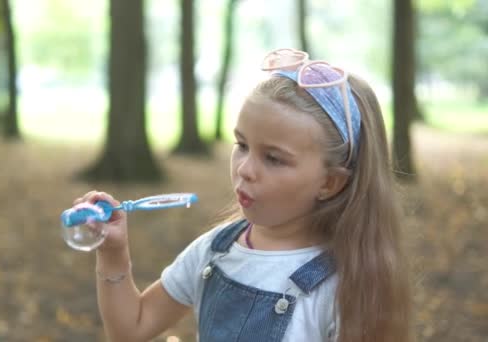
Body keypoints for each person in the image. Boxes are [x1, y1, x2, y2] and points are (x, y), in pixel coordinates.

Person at [73, 48, 412, 342]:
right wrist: (113, 253)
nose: (245, 168)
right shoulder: (215, 250)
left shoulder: (343, 284)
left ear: (330, 183)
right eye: (242, 145)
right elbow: (130, 329)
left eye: (274, 158)